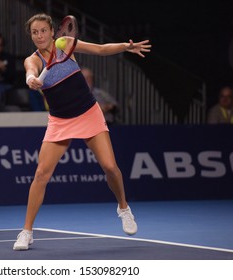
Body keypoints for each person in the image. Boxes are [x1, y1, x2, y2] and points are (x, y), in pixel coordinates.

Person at [13, 13, 151, 251]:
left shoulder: (65, 44)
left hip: (88, 113)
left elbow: (99, 49)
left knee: (110, 167)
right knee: (41, 174)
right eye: (34, 32)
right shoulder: (32, 59)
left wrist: (125, 47)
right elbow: (30, 72)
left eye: (43, 31)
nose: (39, 36)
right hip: (60, 120)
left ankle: (123, 208)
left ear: (52, 32)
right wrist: (31, 80)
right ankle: (26, 232)